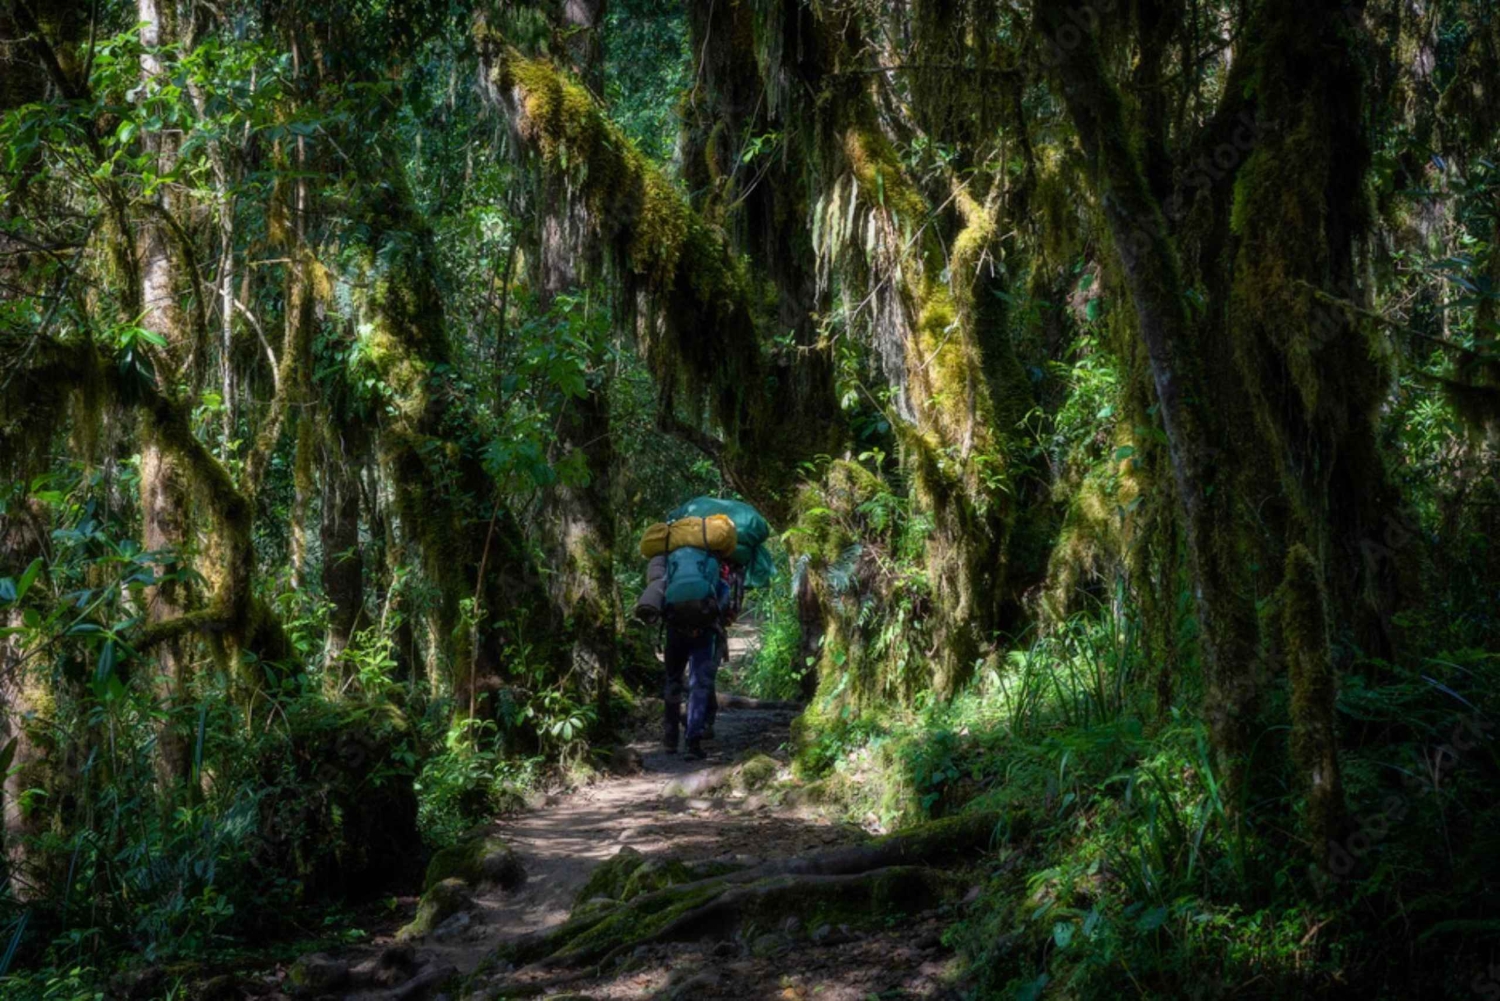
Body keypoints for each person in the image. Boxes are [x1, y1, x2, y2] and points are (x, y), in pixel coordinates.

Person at [662, 571, 729, 760]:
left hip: (674, 632)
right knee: (699, 684)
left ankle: (670, 739)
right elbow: (723, 604)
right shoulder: (711, 567)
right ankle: (693, 742)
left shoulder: (673, 568)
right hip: (704, 632)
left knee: (673, 680)